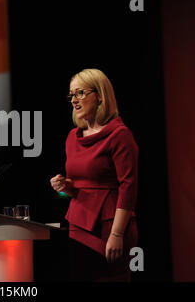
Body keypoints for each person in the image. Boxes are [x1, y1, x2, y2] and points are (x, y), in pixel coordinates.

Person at [50, 68, 139, 282]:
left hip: (109, 228)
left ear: (99, 95)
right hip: (78, 227)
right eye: (71, 95)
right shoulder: (73, 137)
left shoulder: (120, 135)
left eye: (80, 93)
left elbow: (129, 187)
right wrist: (65, 187)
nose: (74, 100)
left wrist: (116, 234)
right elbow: (80, 185)